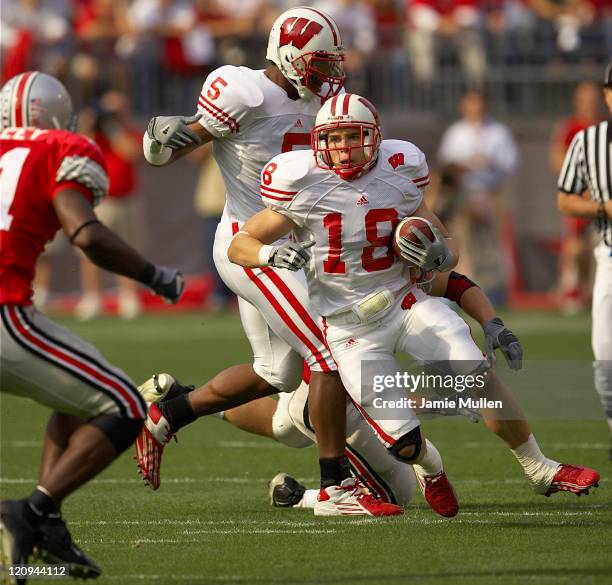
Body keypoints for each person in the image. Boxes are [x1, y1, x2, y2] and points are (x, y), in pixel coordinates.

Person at [227, 93, 601, 504]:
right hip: (348, 328)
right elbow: (239, 244)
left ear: (375, 137)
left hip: (405, 304)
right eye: (334, 138)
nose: (343, 147)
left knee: (475, 373)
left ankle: (540, 467)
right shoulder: (300, 182)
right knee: (401, 444)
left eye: (354, 136)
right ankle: (430, 466)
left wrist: (439, 254)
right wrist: (269, 254)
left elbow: (448, 249)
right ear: (319, 142)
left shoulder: (399, 171)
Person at [139, 6, 402, 517]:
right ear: (287, 55)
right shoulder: (242, 90)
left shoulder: (324, 99)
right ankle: (333, 489)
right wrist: (158, 141)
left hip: (296, 248)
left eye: (333, 62)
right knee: (329, 348)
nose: (330, 73)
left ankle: (168, 413)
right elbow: (171, 149)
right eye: (320, 62)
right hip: (250, 246)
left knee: (276, 373)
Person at [0, 71, 184, 583]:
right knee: (125, 405)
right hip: (4, 315)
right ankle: (31, 512)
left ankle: (46, 528)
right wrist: (154, 275)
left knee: (75, 398)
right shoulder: (61, 146)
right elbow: (84, 232)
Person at [557, 64, 612, 460]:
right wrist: (602, 206)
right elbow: (564, 197)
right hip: (609, 253)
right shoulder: (588, 141)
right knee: (605, 357)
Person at [437, 90, 518, 303]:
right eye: (471, 104)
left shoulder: (499, 132)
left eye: (479, 104)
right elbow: (447, 166)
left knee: (494, 245)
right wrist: (465, 166)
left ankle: (498, 292)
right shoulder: (456, 133)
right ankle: (465, 291)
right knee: (463, 244)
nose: (475, 109)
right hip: (464, 196)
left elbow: (510, 164)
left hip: (492, 194)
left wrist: (489, 162)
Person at [75, 91, 144, 320]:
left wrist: (113, 126)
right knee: (92, 251)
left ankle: (128, 297)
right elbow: (79, 150)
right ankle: (93, 298)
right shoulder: (94, 135)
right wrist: (89, 123)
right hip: (98, 201)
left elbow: (131, 153)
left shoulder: (128, 130)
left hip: (125, 201)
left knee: (127, 251)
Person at [549, 81, 602, 314]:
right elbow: (557, 159)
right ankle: (573, 288)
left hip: (603, 199)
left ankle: (593, 291)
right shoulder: (569, 128)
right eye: (584, 99)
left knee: (600, 247)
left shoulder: (604, 127)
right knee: (576, 246)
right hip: (579, 198)